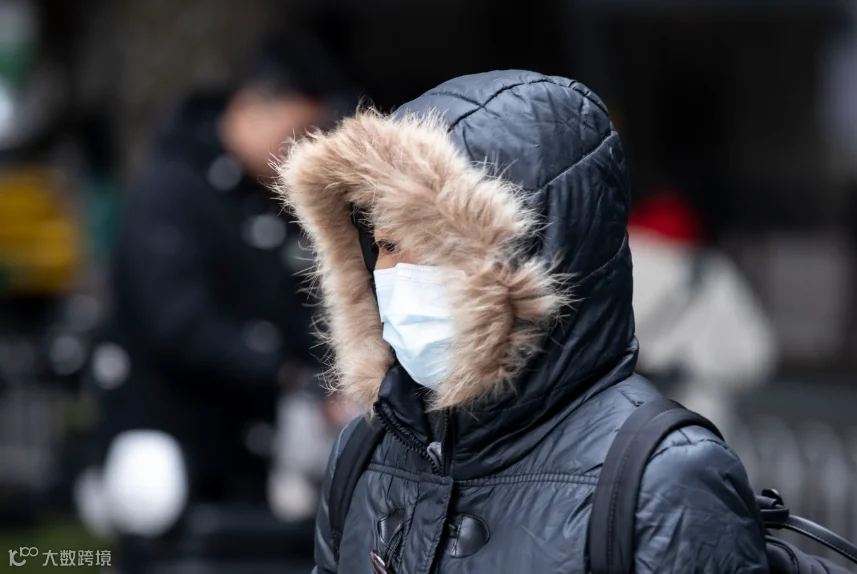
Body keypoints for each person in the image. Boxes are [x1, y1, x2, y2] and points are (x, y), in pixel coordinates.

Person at [276, 70, 769, 573]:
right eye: (387, 244)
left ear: (528, 255)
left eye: (434, 243)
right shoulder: (367, 450)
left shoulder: (663, 477)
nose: (398, 273)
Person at [75, 36, 357, 569]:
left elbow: (298, 306)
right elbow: (177, 320)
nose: (300, 150)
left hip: (252, 447)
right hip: (169, 441)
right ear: (253, 106)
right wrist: (283, 370)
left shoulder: (268, 203)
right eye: (296, 133)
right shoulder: (170, 190)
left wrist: (326, 374)